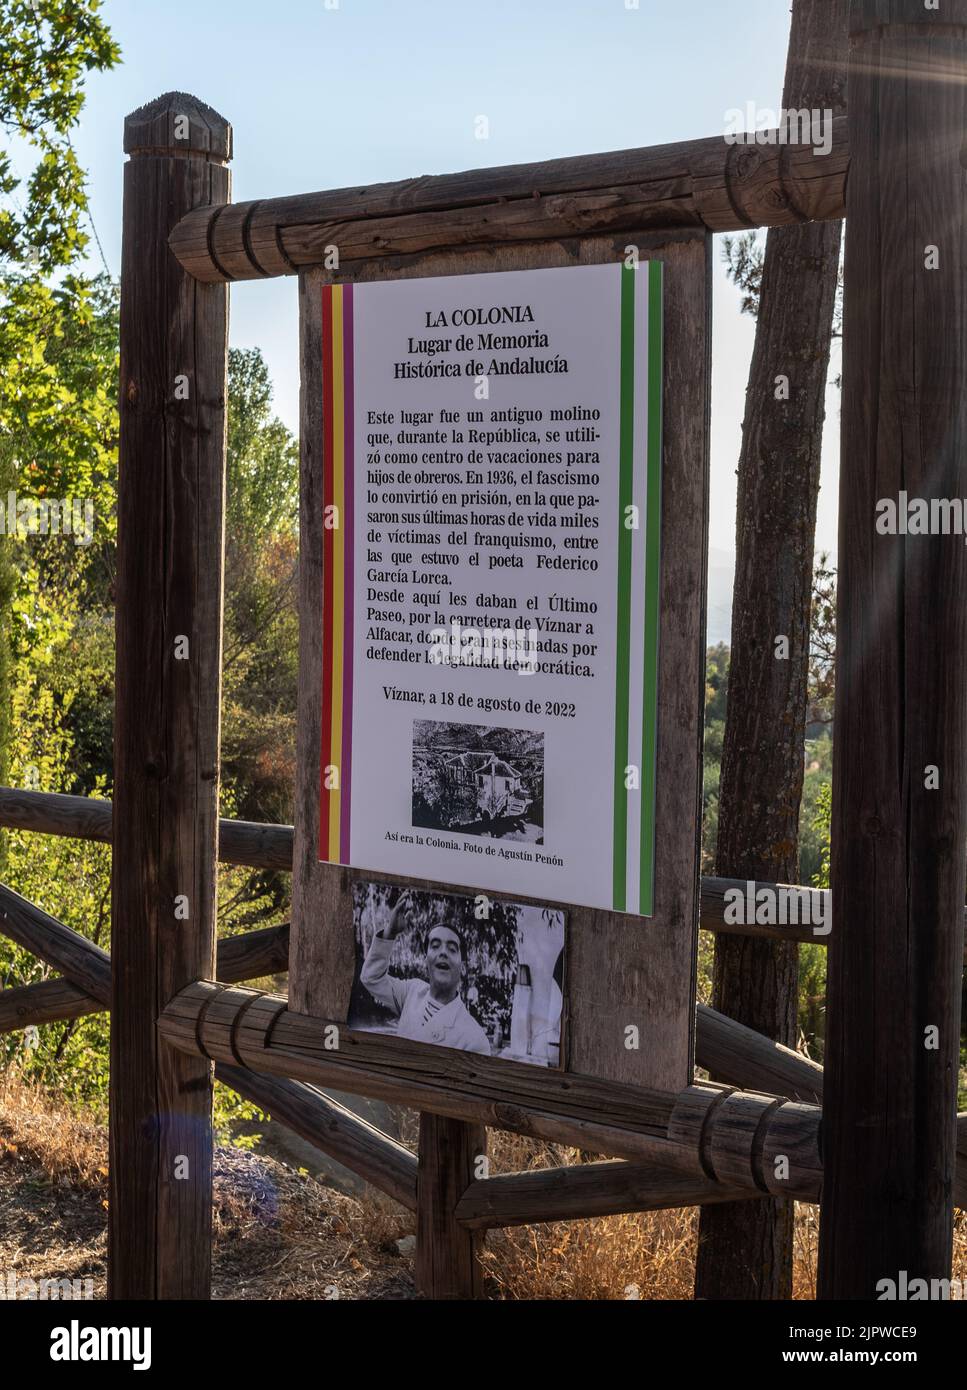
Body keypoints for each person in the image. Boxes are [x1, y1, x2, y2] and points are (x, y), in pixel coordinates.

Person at [359, 890, 491, 1054]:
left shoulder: (475, 1040)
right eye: (435, 946)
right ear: (426, 960)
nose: (443, 952)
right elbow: (371, 978)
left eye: (452, 949)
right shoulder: (411, 991)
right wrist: (390, 932)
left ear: (462, 966)